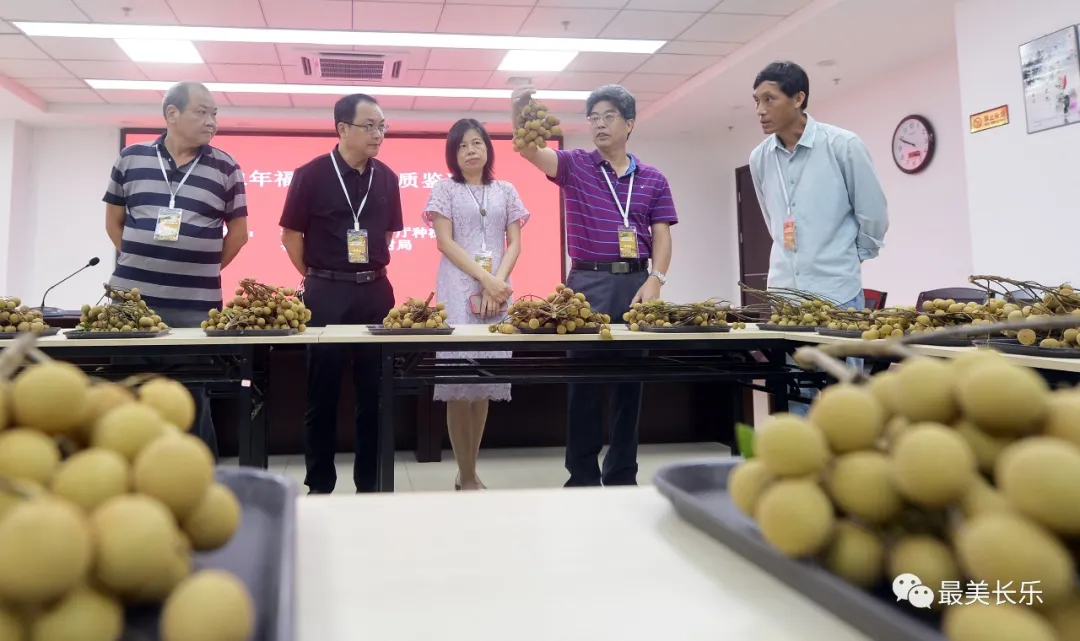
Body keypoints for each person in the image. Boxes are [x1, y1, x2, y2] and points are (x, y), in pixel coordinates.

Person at [511, 84, 678, 487]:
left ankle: (622, 474)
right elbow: (532, 152)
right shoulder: (576, 165)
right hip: (585, 283)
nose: (599, 124)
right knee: (582, 386)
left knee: (629, 388)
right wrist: (520, 112)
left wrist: (657, 279)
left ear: (630, 123)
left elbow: (661, 235)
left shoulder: (653, 179)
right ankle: (581, 476)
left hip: (637, 283)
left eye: (608, 116)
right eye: (593, 117)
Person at [103, 80, 249, 459]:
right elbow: (114, 223)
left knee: (191, 399)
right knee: (129, 396)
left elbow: (239, 234)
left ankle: (199, 480)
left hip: (195, 306)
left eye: (215, 113)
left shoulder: (226, 166)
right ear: (172, 114)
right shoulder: (130, 158)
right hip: (129, 306)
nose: (212, 121)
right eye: (202, 111)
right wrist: (141, 261)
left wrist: (197, 266)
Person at [748, 61, 889, 414]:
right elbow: (772, 219)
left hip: (837, 292)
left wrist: (849, 256)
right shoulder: (759, 158)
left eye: (769, 99)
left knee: (846, 400)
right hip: (785, 296)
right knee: (796, 396)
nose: (760, 110)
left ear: (798, 98)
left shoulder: (842, 145)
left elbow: (873, 213)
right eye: (756, 101)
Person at [279, 93, 403, 494]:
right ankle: (320, 483)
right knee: (323, 393)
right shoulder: (310, 174)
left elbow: (385, 235)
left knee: (375, 393)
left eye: (382, 125)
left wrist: (362, 274)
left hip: (375, 292)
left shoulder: (387, 178)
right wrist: (321, 278)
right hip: (326, 292)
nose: (377, 134)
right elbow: (291, 236)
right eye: (369, 125)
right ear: (342, 129)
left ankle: (370, 483)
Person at [423, 119, 529, 491]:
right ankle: (465, 473)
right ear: (453, 154)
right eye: (462, 145)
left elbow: (514, 243)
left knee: (483, 384)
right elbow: (444, 243)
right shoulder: (444, 189)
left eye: (477, 143)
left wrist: (496, 283)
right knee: (458, 384)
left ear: (488, 148)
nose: (471, 150)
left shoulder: (506, 190)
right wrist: (485, 279)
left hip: (497, 290)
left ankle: (471, 466)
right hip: (458, 288)